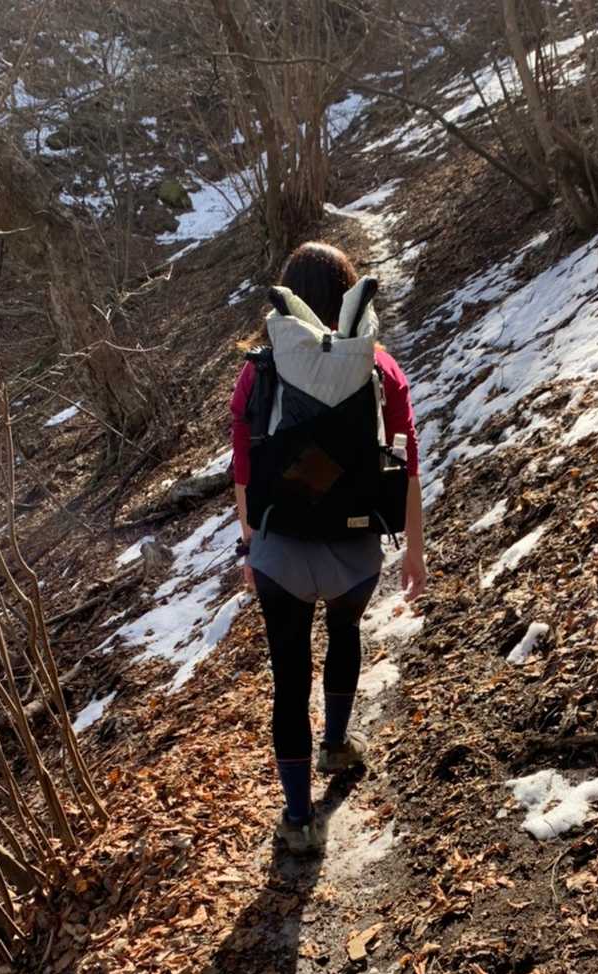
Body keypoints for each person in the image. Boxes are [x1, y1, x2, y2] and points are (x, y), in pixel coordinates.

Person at [231, 241, 426, 856]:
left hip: (280, 552)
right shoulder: (379, 365)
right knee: (344, 634)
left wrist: (251, 547)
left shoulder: (259, 370)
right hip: (355, 549)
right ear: (346, 297)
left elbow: (245, 471)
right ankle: (337, 746)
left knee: (289, 679)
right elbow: (407, 464)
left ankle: (298, 819)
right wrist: (414, 552)